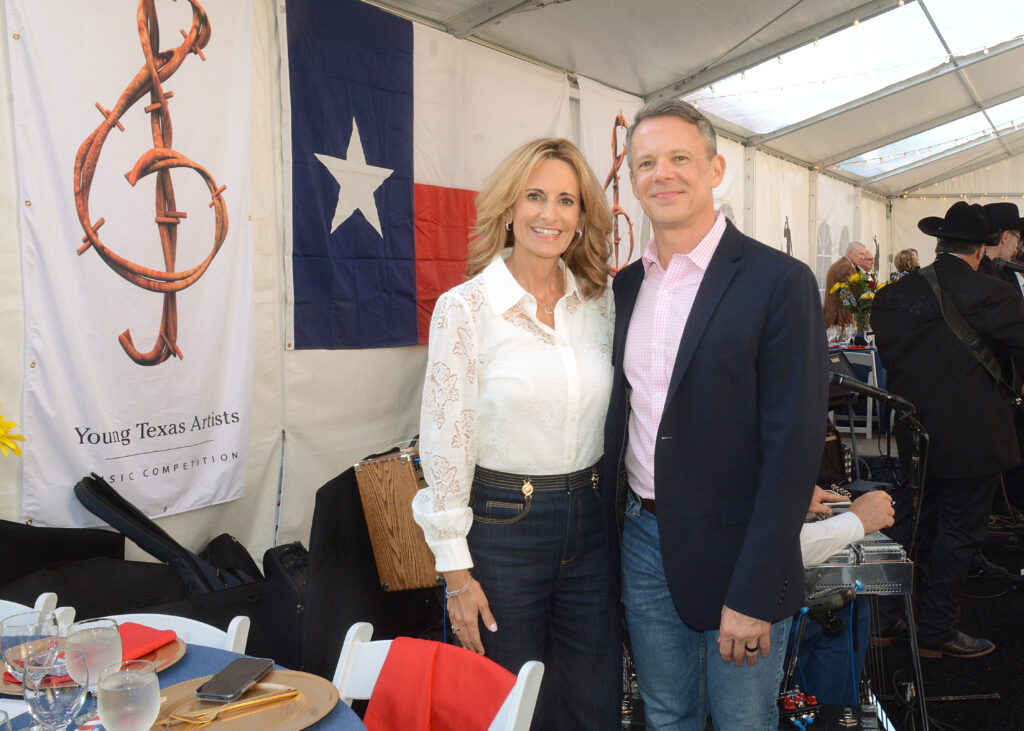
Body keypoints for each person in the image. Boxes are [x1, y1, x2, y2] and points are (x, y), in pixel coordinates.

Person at [603, 99, 828, 729]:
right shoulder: (627, 287)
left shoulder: (777, 281)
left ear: (715, 168)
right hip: (643, 541)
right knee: (668, 716)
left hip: (741, 549)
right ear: (632, 178)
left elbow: (794, 446)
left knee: (743, 722)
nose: (662, 174)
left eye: (680, 158)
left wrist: (754, 591)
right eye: (646, 162)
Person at [412, 137, 621, 729]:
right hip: (502, 528)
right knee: (505, 707)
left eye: (566, 200)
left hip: (592, 521)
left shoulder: (599, 307)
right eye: (534, 197)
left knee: (592, 705)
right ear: (508, 208)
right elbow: (446, 441)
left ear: (583, 219)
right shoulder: (465, 308)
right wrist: (456, 574)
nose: (549, 215)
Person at [872, 201, 1024, 658]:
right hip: (973, 438)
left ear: (939, 243)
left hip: (914, 434)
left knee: (915, 523)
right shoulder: (992, 293)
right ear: (981, 248)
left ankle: (885, 618)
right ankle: (935, 631)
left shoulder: (892, 295)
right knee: (958, 535)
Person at [825, 242, 874, 327]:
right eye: (861, 254)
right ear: (850, 253)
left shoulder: (839, 264)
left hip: (832, 317)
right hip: (840, 319)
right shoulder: (846, 268)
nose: (863, 258)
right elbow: (850, 296)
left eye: (864, 255)